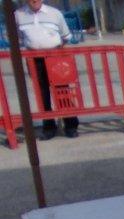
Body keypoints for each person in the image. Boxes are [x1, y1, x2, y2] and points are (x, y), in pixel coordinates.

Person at [15, 0, 79, 139]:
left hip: (55, 57)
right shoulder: (18, 15)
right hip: (34, 59)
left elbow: (65, 36)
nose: (34, 0)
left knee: (63, 92)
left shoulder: (55, 13)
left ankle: (71, 126)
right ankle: (49, 128)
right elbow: (17, 38)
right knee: (42, 93)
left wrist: (54, 50)